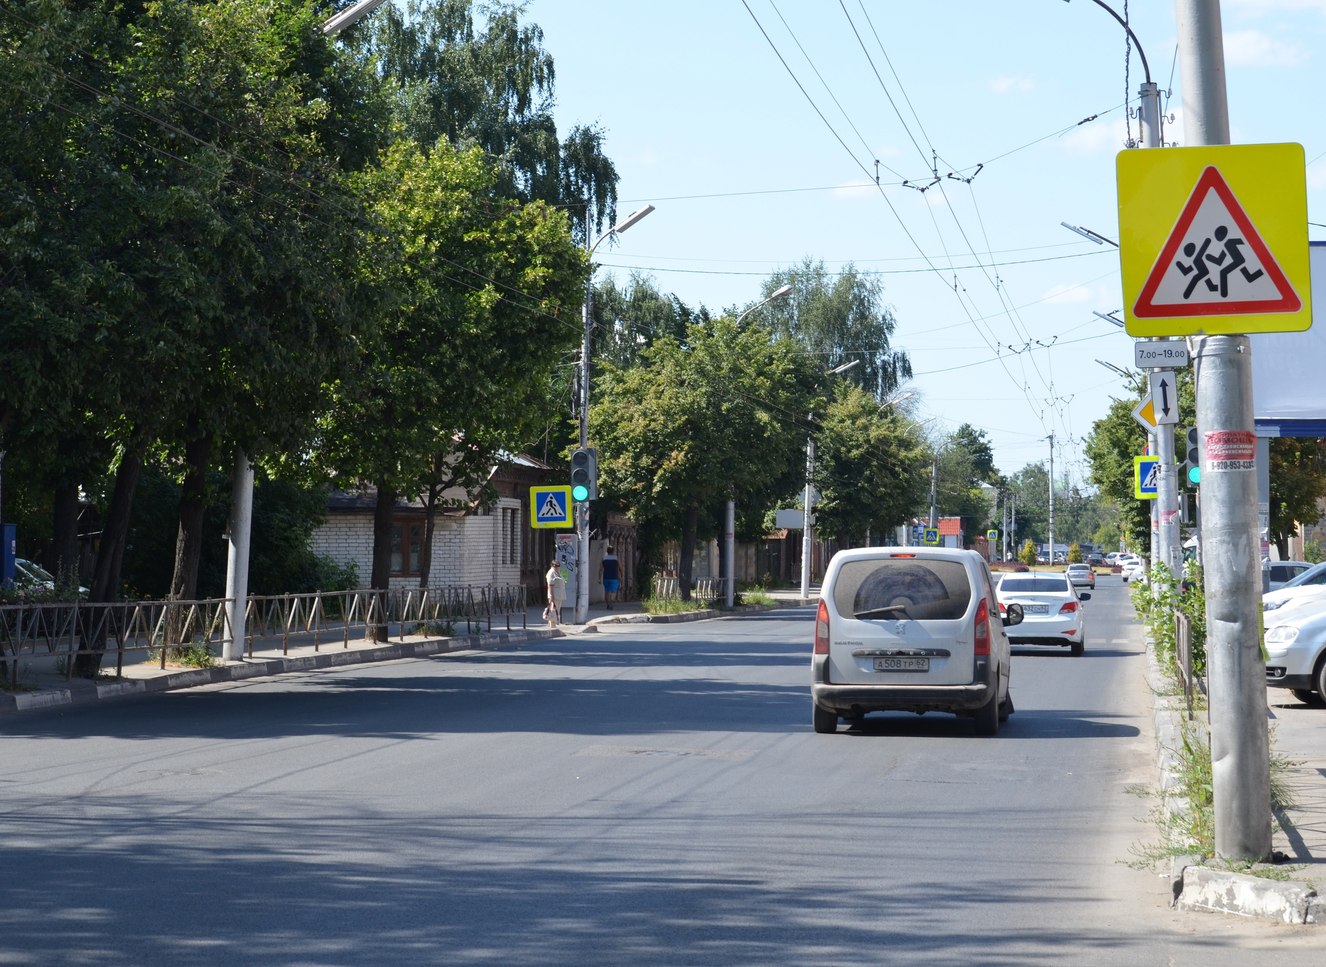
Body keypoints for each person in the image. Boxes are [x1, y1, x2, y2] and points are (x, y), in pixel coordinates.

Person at [545, 559, 566, 628]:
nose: (557, 567)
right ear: (552, 566)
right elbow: (550, 585)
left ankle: (552, 625)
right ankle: (552, 626)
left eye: (558, 566)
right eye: (555, 566)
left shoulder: (558, 572)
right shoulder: (551, 573)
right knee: (553, 611)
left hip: (559, 595)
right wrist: (551, 596)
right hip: (554, 595)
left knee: (556, 611)